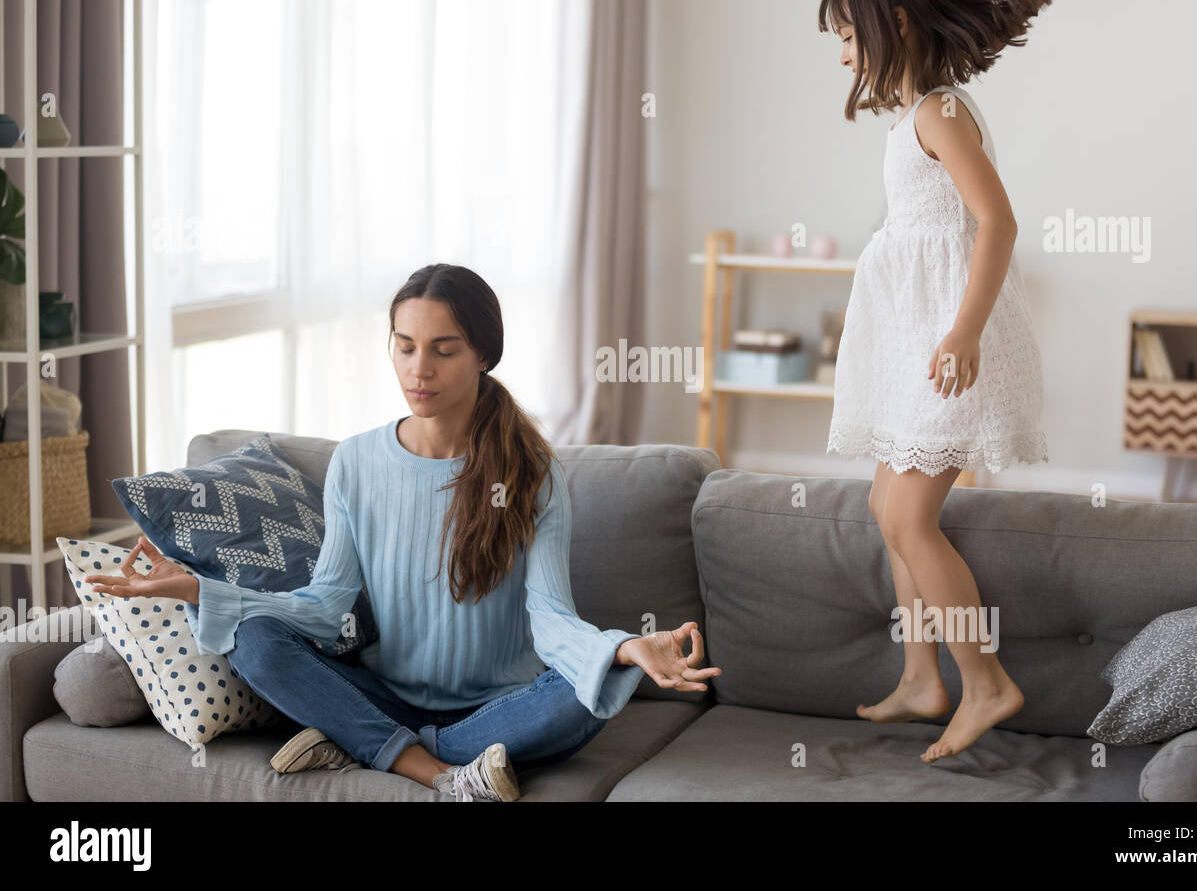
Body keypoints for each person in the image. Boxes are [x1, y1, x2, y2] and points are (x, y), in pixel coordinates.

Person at [86, 263, 721, 801]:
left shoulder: (532, 473)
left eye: (444, 350)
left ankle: (363, 744)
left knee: (586, 694)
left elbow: (552, 620)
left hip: (499, 709)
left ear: (483, 355)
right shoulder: (357, 463)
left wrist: (620, 649)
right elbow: (321, 608)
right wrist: (200, 590)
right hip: (386, 694)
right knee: (253, 641)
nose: (420, 368)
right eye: (405, 345)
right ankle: (441, 773)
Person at [818, 0, 1053, 762]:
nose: (845, 53)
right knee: (886, 510)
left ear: (898, 22)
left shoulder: (941, 114)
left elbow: (998, 222)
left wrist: (964, 332)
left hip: (949, 347)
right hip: (916, 346)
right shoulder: (912, 115)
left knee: (910, 516)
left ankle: (985, 680)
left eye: (849, 34)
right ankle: (924, 680)